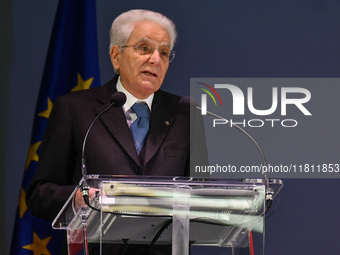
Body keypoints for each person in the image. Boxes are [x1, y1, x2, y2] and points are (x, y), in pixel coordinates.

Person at [26, 9, 207, 255]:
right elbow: (39, 194)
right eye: (144, 48)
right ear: (116, 56)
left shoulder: (186, 114)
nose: (155, 59)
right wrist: (77, 198)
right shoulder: (75, 109)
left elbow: (203, 194)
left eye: (164, 52)